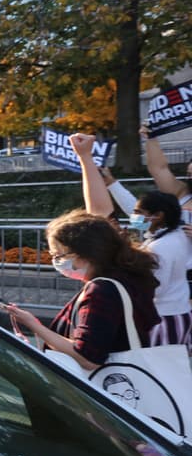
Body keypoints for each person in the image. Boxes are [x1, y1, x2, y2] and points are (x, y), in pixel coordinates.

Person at [71, 133, 192, 348]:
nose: (133, 217)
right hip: (172, 313)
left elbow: (155, 288)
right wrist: (111, 183)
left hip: (162, 319)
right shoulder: (172, 232)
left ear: (158, 216)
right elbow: (120, 211)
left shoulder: (162, 246)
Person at [4, 210, 159, 371]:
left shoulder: (101, 290)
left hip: (105, 386)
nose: (56, 261)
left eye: (59, 255)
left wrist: (33, 325)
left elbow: (88, 358)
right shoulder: (127, 277)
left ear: (85, 254)